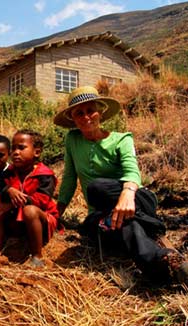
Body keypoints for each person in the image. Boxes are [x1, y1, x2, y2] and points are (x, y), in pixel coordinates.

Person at [54, 85, 188, 283]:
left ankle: (148, 226)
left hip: (138, 199)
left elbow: (132, 171)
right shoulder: (73, 140)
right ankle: (162, 264)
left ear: (100, 112)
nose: (86, 116)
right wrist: (56, 214)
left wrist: (127, 192)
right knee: (117, 225)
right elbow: (69, 180)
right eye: (79, 113)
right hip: (105, 215)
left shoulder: (121, 139)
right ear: (72, 119)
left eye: (90, 110)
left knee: (97, 188)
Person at [0, 130, 59, 267]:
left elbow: (41, 201)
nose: (15, 152)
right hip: (17, 218)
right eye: (13, 148)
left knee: (30, 211)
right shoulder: (10, 172)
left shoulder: (45, 175)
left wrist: (11, 205)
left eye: (21, 148)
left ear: (37, 152)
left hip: (41, 218)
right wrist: (9, 190)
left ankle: (37, 256)